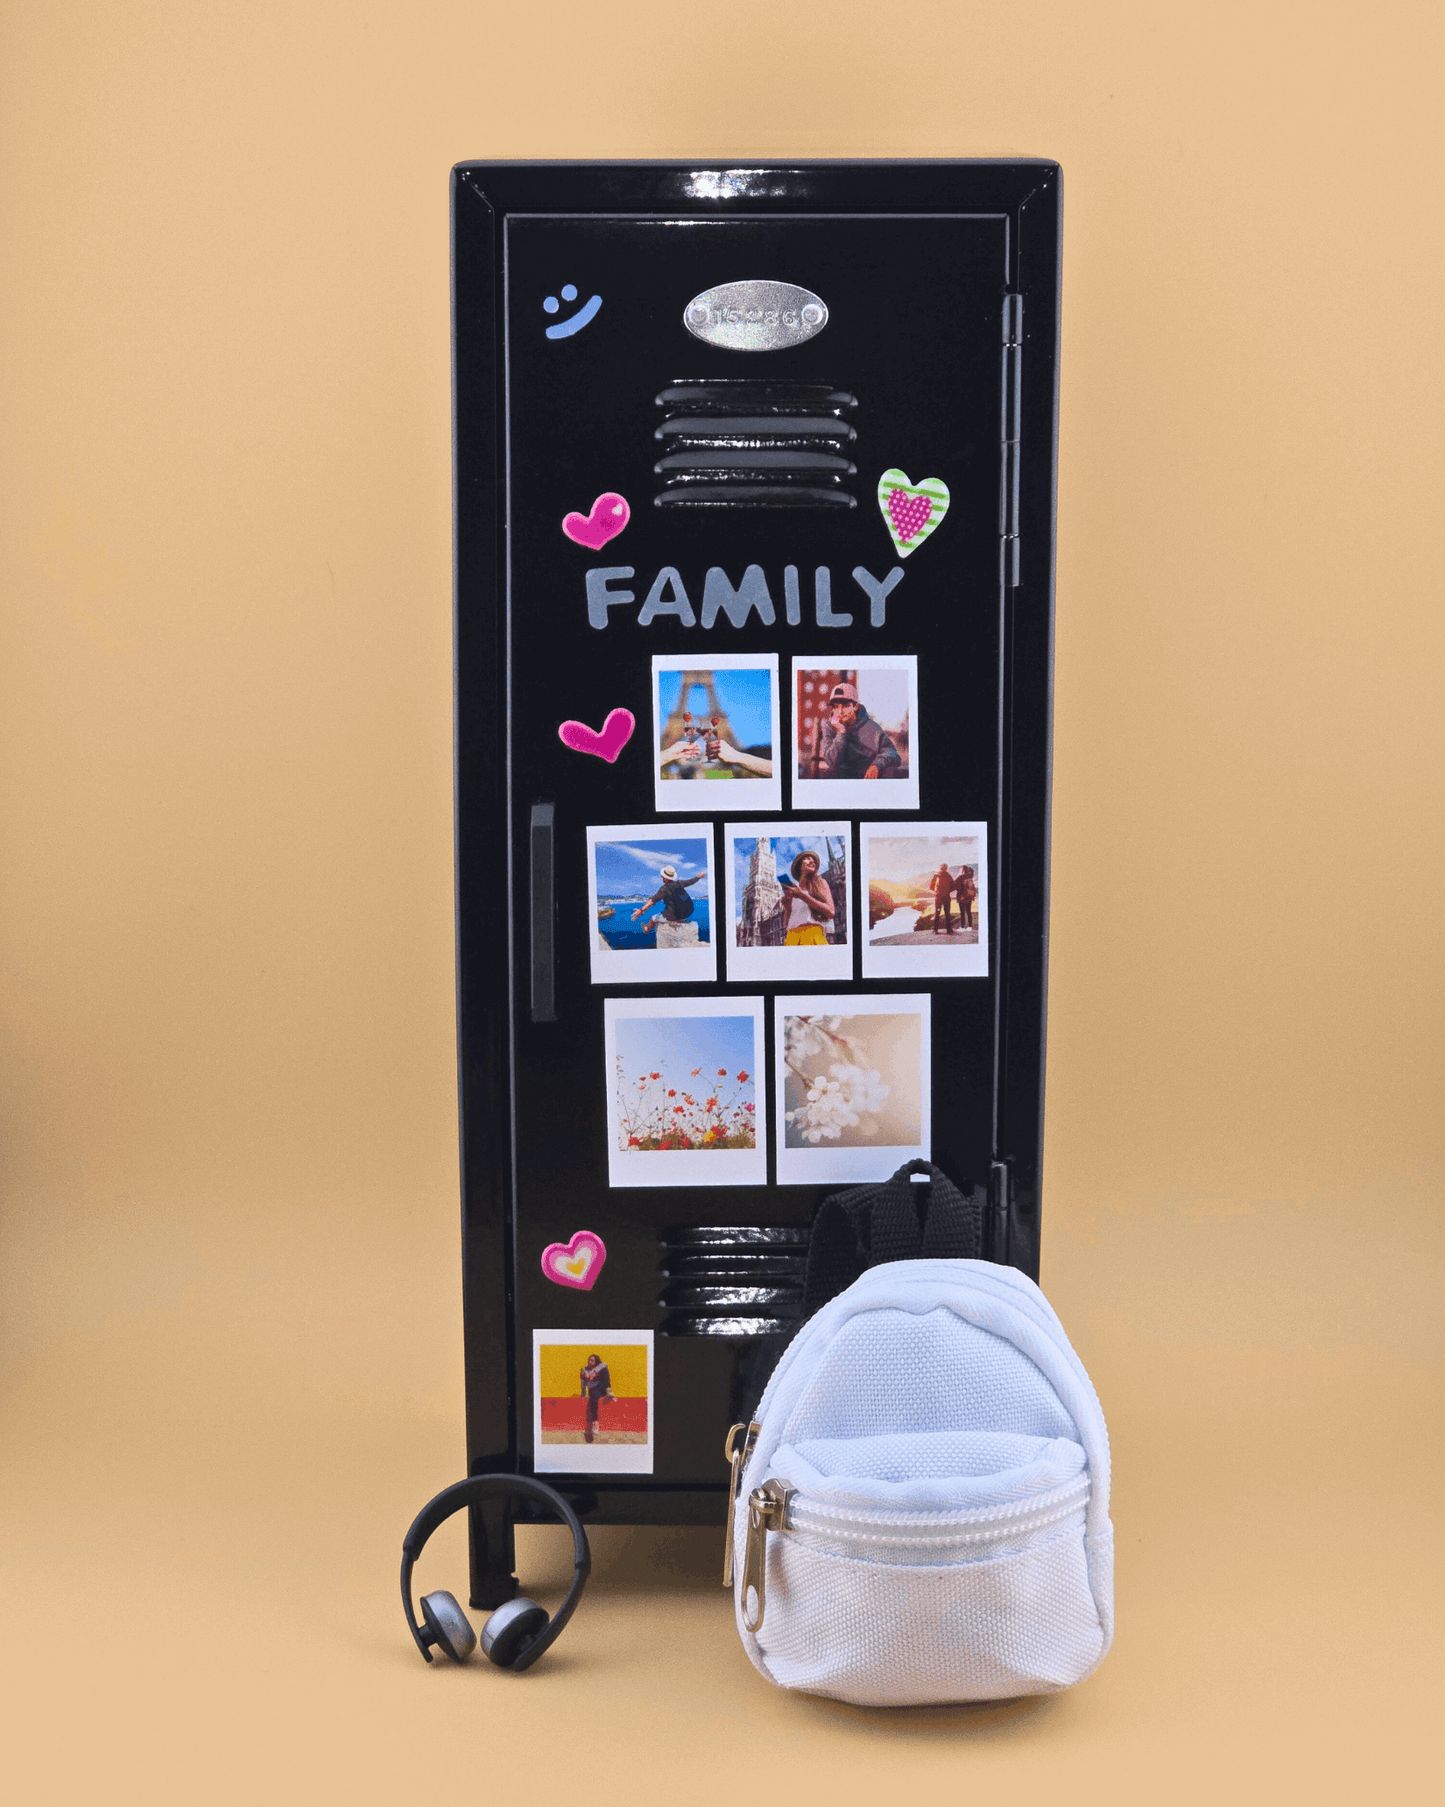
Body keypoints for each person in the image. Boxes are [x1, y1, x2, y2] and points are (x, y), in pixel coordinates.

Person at [813, 682, 902, 780]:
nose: (840, 711)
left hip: (865, 778)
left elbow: (893, 753)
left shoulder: (871, 727)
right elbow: (831, 762)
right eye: (836, 706)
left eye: (845, 706)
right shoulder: (830, 726)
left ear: (855, 706)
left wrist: (876, 765)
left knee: (889, 771)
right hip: (841, 778)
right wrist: (841, 732)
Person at [780, 849, 835, 947]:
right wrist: (787, 907)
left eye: (814, 861)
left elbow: (830, 912)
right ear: (800, 866)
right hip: (791, 939)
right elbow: (787, 924)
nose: (812, 861)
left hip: (813, 936)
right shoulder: (794, 891)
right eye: (808, 858)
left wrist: (803, 896)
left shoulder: (821, 883)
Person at [631, 864, 703, 935]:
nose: (661, 877)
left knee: (653, 918)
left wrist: (641, 910)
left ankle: (647, 929)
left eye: (662, 876)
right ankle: (679, 920)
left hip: (675, 916)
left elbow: (652, 901)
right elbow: (691, 881)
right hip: (688, 912)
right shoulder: (679, 883)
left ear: (665, 877)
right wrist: (698, 877)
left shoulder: (664, 889)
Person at [579, 1353, 614, 1444]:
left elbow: (604, 1365)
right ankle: (595, 1424)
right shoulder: (584, 1369)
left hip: (602, 1388)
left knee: (604, 1371)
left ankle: (609, 1390)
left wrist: (594, 1372)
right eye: (589, 1360)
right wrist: (583, 1393)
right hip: (594, 1390)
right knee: (593, 1396)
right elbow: (584, 1382)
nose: (590, 1362)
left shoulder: (600, 1368)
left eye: (592, 1360)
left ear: (596, 1362)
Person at [930, 862, 956, 934]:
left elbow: (931, 886)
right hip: (946, 897)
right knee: (947, 913)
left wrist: (936, 892)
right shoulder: (949, 876)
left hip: (938, 897)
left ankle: (935, 930)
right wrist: (947, 891)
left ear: (940, 868)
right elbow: (953, 886)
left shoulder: (936, 876)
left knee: (937, 913)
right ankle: (949, 930)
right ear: (946, 868)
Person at [955, 864, 978, 933]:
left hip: (962, 897)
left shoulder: (960, 877)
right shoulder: (970, 877)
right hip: (969, 897)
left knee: (962, 912)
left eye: (960, 869)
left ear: (962, 870)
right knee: (968, 912)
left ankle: (962, 927)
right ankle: (970, 926)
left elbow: (956, 886)